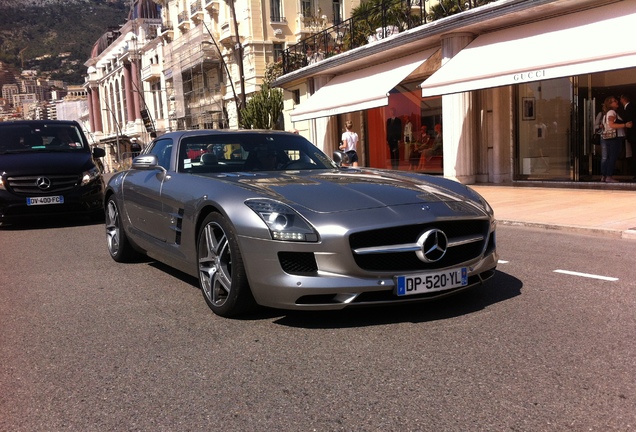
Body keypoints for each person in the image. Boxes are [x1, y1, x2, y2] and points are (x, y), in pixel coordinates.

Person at [600, 96, 632, 183]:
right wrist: (625, 125)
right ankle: (609, 176)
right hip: (613, 138)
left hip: (607, 138)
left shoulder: (606, 113)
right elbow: (612, 125)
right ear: (610, 104)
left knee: (606, 157)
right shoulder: (612, 112)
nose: (616, 102)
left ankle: (604, 175)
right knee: (612, 157)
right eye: (614, 101)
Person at [619, 94, 636, 178]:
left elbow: (629, 121)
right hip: (632, 135)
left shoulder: (630, 107)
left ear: (622, 99)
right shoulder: (631, 107)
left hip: (633, 135)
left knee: (634, 153)